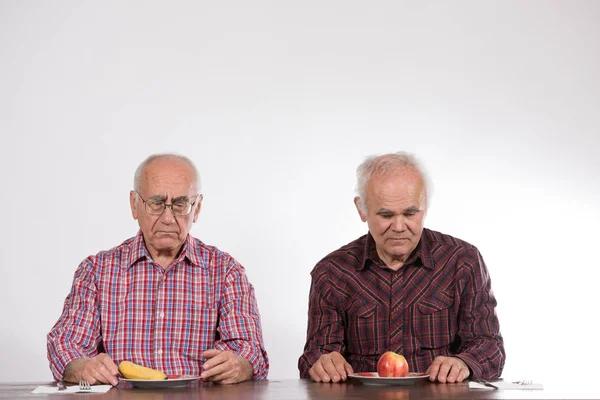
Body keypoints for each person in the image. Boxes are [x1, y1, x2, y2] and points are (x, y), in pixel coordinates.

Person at [48, 154, 268, 385]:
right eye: (156, 203)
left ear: (198, 207)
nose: (168, 218)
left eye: (181, 204)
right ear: (135, 205)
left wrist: (239, 364)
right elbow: (66, 343)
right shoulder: (95, 271)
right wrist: (81, 366)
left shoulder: (226, 272)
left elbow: (249, 348)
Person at [298, 152, 505, 383]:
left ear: (424, 205)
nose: (399, 227)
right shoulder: (333, 272)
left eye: (410, 213)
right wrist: (323, 363)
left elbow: (490, 349)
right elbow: (315, 355)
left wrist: (464, 363)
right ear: (361, 210)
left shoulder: (462, 261)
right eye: (386, 215)